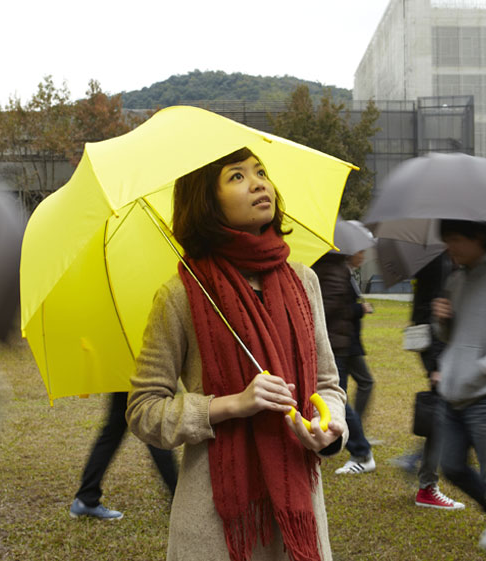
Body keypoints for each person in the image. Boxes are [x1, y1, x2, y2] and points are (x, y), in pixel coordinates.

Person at [126, 147, 348, 561]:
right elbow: (143, 410)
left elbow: (327, 385)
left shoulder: (305, 281)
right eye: (236, 176)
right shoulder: (180, 295)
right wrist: (231, 405)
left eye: (260, 171)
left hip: (299, 517)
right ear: (206, 202)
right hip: (215, 527)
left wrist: (329, 425)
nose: (259, 182)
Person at [433, 219, 486, 560]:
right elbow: (453, 338)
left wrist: (482, 368)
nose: (450, 248)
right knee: (450, 466)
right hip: (453, 397)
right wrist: (444, 320)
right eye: (446, 240)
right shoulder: (456, 278)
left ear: (478, 237)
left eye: (455, 239)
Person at [392, 252, 464, 511]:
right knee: (444, 412)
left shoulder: (440, 257)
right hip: (438, 347)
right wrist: (436, 364)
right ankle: (426, 485)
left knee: (449, 412)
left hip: (442, 346)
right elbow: (429, 312)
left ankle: (416, 462)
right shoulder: (438, 260)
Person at [311, 251, 375, 475]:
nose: (363, 257)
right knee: (342, 395)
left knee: (337, 399)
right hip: (339, 342)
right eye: (360, 253)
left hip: (334, 344)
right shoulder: (335, 270)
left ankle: (361, 452)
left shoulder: (331, 271)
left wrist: (359, 309)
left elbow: (326, 311)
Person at [70, 392, 178, 520]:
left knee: (115, 429)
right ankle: (180, 499)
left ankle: (86, 497)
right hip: (139, 377)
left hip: (124, 377)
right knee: (154, 431)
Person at [345, 250, 375, 425]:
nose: (363, 257)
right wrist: (360, 309)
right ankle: (356, 427)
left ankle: (354, 427)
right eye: (360, 253)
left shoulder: (348, 273)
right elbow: (338, 308)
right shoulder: (341, 274)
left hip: (348, 340)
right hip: (346, 341)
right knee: (366, 382)